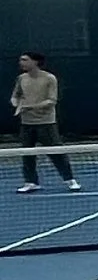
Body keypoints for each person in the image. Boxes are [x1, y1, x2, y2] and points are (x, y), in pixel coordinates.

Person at [13, 51, 79, 194]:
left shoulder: (49, 78)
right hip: (26, 123)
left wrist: (30, 107)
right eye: (21, 60)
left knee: (56, 152)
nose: (21, 62)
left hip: (46, 122)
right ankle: (31, 182)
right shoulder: (21, 78)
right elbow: (16, 96)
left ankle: (70, 180)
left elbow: (51, 101)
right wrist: (16, 104)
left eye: (25, 60)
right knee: (27, 154)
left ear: (35, 62)